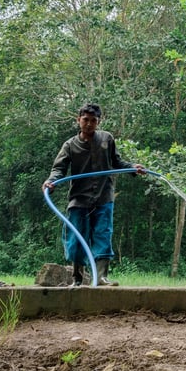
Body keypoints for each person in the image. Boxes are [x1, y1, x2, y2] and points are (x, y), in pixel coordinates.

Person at [42, 103, 145, 287]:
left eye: (93, 121)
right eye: (85, 120)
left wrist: (132, 168)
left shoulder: (106, 139)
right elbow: (59, 169)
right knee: (76, 237)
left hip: (104, 197)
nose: (89, 124)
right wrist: (51, 182)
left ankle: (102, 278)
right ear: (78, 120)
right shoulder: (70, 145)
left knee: (103, 235)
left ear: (99, 122)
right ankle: (77, 279)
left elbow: (117, 161)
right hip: (79, 199)